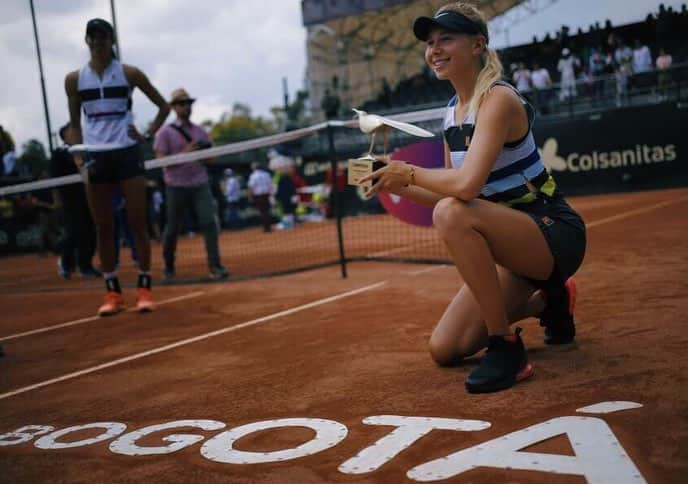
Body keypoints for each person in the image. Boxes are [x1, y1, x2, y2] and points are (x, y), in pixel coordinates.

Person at [361, 2, 586, 393]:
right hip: (510, 244)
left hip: (552, 233)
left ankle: (507, 346)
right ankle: (549, 302)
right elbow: (455, 193)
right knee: (446, 348)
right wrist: (393, 183)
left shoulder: (497, 99)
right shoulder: (452, 112)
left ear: (478, 44)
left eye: (446, 39)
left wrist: (409, 171)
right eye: (430, 42)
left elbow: (462, 191)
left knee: (452, 210)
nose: (434, 49)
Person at [64, 18, 170, 316]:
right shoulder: (74, 79)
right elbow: (75, 124)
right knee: (103, 226)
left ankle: (144, 289)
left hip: (126, 152)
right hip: (96, 156)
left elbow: (163, 106)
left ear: (112, 41)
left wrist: (147, 134)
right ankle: (113, 293)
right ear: (87, 41)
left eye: (103, 37)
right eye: (93, 38)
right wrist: (78, 154)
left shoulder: (129, 74)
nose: (98, 43)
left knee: (137, 222)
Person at [154, 88, 229, 281]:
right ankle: (168, 267)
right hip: (175, 185)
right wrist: (185, 154)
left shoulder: (200, 131)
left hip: (199, 183)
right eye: (181, 103)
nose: (186, 107)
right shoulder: (164, 133)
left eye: (188, 103)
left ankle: (215, 266)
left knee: (209, 222)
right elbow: (160, 161)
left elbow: (212, 159)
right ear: (173, 107)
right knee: (172, 228)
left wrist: (205, 154)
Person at [52, 123, 99, 279]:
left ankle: (85, 265)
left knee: (91, 230)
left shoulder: (87, 151)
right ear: (65, 136)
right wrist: (57, 200)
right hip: (70, 200)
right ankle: (68, 263)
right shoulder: (59, 153)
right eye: (72, 132)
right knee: (75, 231)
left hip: (89, 196)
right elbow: (54, 180)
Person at [247, 162, 273, 232]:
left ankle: (266, 227)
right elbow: (270, 185)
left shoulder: (253, 176)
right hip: (266, 195)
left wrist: (250, 197)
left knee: (262, 212)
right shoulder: (266, 174)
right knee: (267, 211)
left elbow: (251, 187)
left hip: (259, 196)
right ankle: (268, 226)